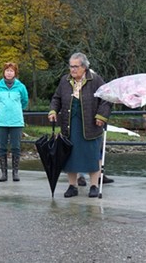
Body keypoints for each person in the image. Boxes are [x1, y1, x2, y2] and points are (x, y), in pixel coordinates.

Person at [48, 53, 111, 198]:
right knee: (70, 157)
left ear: (84, 67)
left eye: (75, 66)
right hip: (69, 125)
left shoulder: (95, 80)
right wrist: (53, 110)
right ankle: (72, 186)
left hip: (91, 125)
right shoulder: (65, 80)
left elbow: (106, 98)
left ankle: (94, 186)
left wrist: (101, 116)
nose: (72, 69)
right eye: (71, 66)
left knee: (92, 155)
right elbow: (56, 98)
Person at [0, 62, 29, 182]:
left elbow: (25, 101)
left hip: (16, 122)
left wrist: (16, 110)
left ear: (15, 73)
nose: (9, 73)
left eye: (11, 71)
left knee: (16, 147)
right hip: (1, 121)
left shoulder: (21, 87)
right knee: (2, 147)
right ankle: (3, 173)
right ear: (4, 72)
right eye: (7, 70)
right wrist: (0, 109)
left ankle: (15, 172)